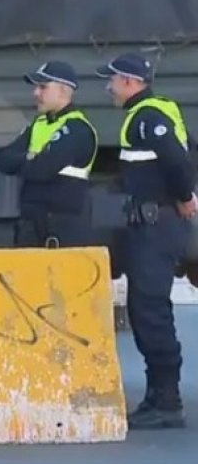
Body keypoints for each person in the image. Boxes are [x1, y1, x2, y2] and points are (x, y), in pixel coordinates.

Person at [98, 52, 198, 429]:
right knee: (144, 306)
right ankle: (159, 395)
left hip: (157, 227)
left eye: (112, 80)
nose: (108, 87)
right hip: (155, 224)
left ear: (130, 81)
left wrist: (185, 196)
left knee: (150, 308)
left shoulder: (147, 116)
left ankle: (167, 400)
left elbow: (178, 160)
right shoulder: (153, 112)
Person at [0, 61, 98, 247]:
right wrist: (30, 158)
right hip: (31, 225)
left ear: (63, 91)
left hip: (62, 228)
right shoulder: (38, 125)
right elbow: (2, 162)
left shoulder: (77, 128)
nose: (35, 93)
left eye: (43, 87)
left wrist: (28, 161)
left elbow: (42, 170)